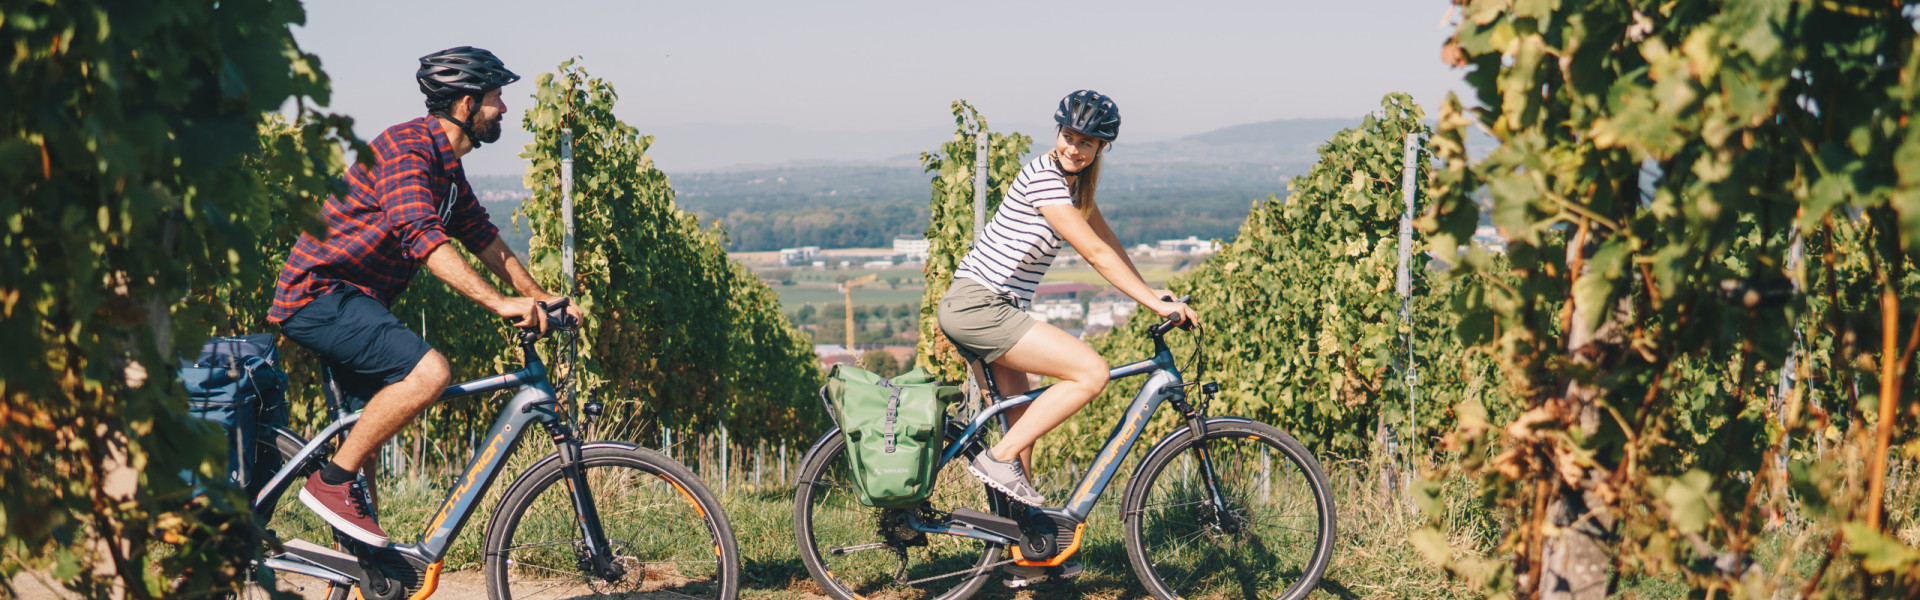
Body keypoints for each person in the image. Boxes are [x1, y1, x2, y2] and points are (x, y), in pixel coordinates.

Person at [270, 46, 584, 548]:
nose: (504, 109)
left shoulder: (447, 169)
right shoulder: (406, 150)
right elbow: (421, 235)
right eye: (496, 98)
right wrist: (500, 303)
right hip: (320, 295)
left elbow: (482, 237)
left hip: (359, 300)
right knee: (431, 372)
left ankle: (362, 564)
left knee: (364, 440)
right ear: (465, 105)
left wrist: (540, 295)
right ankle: (330, 484)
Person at [938, 90, 1200, 586]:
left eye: (1086, 142)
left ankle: (1027, 551)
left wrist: (1151, 290)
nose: (1074, 148)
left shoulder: (1076, 187)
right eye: (1068, 137)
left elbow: (1108, 244)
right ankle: (995, 461)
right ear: (1057, 132)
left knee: (1022, 419)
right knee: (1091, 371)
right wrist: (1152, 304)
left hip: (995, 308)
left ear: (1103, 147)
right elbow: (1095, 259)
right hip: (978, 306)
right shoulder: (1047, 180)